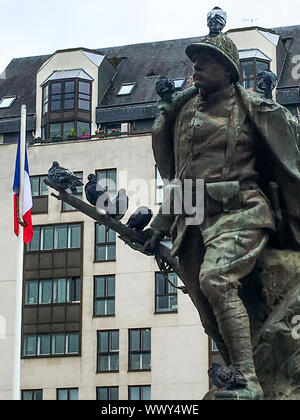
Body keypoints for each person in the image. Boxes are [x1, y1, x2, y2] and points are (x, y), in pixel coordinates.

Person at [144, 31, 300, 400]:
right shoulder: (185, 114)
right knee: (207, 312)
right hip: (195, 221)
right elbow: (181, 179)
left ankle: (249, 379)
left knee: (216, 280)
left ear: (228, 71)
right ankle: (236, 374)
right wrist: (160, 225)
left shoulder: (254, 110)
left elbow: (291, 158)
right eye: (194, 60)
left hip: (242, 212)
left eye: (206, 60)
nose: (196, 66)